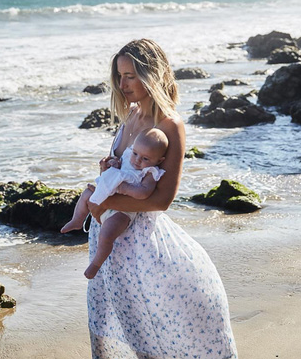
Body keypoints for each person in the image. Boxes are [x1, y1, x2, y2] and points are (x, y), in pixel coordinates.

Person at [85, 38, 238, 359]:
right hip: (109, 240)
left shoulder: (170, 125)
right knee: (123, 326)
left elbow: (161, 200)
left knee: (157, 334)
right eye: (119, 76)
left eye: (130, 76)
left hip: (142, 245)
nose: (122, 85)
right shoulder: (130, 115)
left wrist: (104, 203)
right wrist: (106, 172)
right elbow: (125, 174)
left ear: (152, 74)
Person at [60, 127, 168, 279]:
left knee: (107, 234)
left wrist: (125, 188)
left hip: (124, 210)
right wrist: (111, 167)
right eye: (135, 153)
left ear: (159, 160)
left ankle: (96, 264)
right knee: (86, 193)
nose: (137, 160)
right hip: (106, 196)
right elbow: (111, 175)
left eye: (145, 159)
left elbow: (144, 192)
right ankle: (77, 220)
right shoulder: (128, 157)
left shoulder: (150, 172)